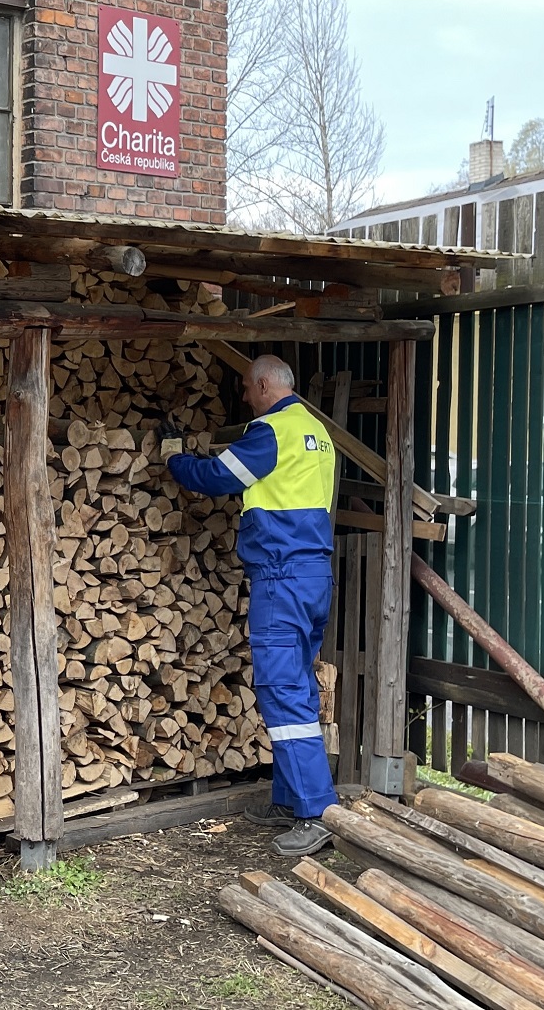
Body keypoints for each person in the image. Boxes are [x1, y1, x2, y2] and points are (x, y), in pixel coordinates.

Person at [166, 354, 339, 858]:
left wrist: (174, 458)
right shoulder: (316, 431)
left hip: (281, 577)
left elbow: (219, 477)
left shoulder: (271, 431)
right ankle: (289, 796)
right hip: (313, 572)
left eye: (246, 388)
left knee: (282, 691)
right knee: (299, 683)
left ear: (265, 384)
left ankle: (316, 811)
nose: (243, 397)